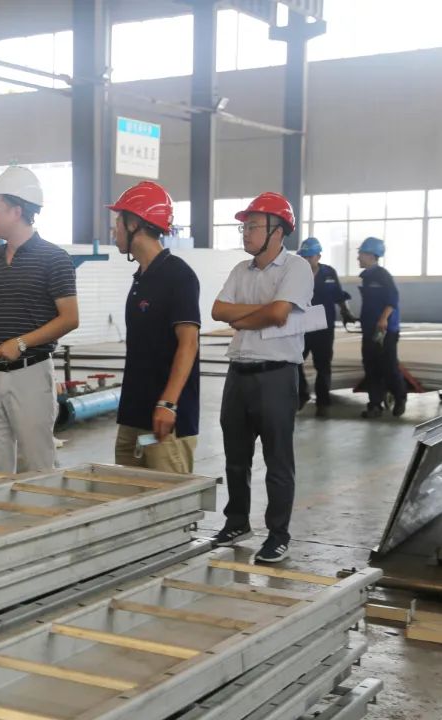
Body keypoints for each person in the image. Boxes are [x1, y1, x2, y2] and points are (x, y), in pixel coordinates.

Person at [210, 192, 313, 563]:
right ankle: (237, 521)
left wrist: (244, 317)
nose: (246, 232)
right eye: (244, 226)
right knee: (236, 458)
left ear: (277, 231)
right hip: (239, 373)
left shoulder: (296, 268)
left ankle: (278, 534)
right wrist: (261, 312)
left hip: (276, 375)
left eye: (253, 226)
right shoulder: (241, 270)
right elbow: (218, 310)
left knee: (277, 461)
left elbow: (279, 313)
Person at [0, 166, 79, 474]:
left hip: (31, 374)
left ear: (17, 211)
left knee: (39, 467)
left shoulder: (55, 259)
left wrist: (21, 343)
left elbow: (70, 318)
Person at [108, 181, 201, 474]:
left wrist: (168, 403)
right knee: (127, 495)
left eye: (118, 221)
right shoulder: (141, 277)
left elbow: (188, 343)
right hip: (134, 414)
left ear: (134, 223)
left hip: (166, 421)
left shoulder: (178, 276)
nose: (114, 229)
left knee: (169, 498)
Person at [295, 237, 355, 415]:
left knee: (323, 365)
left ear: (318, 257)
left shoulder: (329, 273)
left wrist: (346, 312)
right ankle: (302, 394)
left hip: (324, 327)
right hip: (302, 326)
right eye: (303, 257)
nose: (306, 260)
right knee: (295, 361)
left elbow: (338, 295)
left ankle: (323, 402)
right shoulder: (295, 274)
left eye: (309, 257)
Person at [356, 236, 406, 418]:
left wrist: (383, 318)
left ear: (371, 255)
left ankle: (400, 398)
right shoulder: (367, 276)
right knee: (371, 367)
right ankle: (375, 405)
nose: (358, 257)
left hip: (385, 330)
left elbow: (393, 299)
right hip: (370, 329)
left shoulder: (382, 275)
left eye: (361, 254)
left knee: (389, 365)